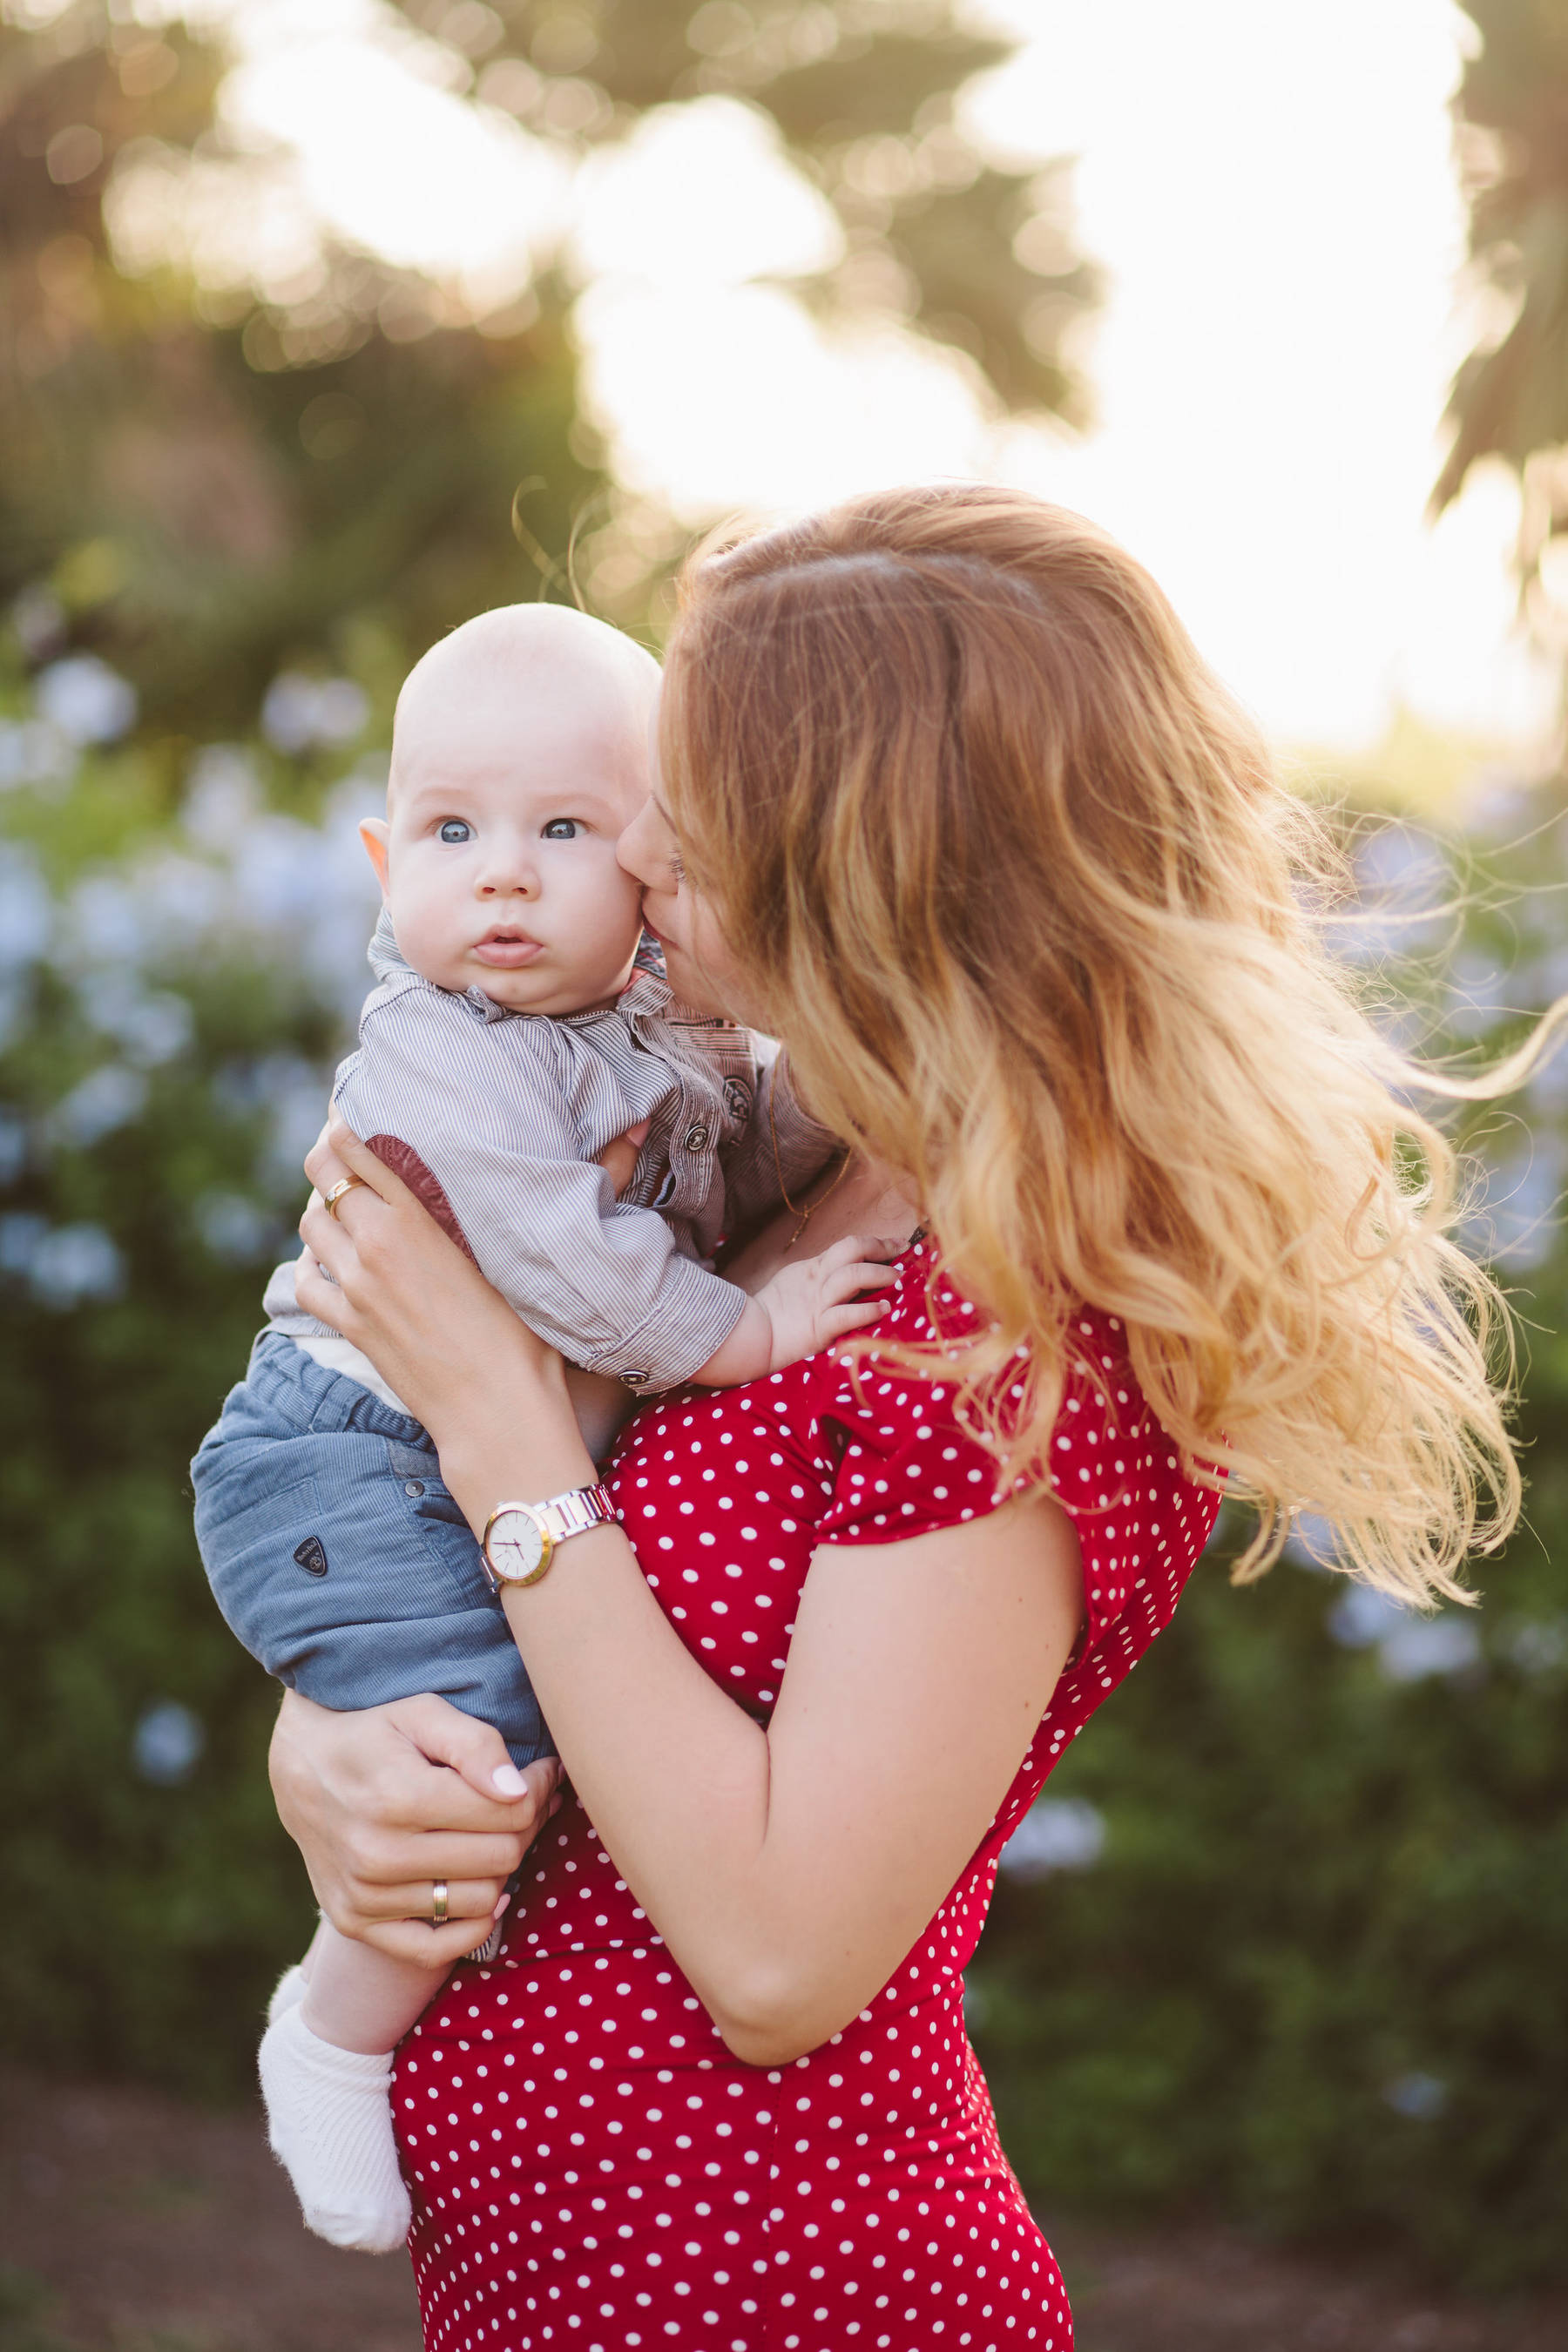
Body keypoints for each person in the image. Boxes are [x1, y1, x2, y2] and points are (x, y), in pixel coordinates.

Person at [267, 486, 1524, 2352]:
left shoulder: (1013, 1318)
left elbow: (780, 1953)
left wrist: (495, 1425)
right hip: (550, 2283)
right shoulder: (789, 1173)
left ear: (870, 874)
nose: (639, 850)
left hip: (779, 2290)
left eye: (689, 820)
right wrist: (336, 1758)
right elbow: (555, 1613)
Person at [191, 602, 889, 2254]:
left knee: (473, 1728)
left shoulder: (636, 1018)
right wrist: (761, 1329)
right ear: (384, 861)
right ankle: (336, 2026)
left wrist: (842, 1087)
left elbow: (737, 1140)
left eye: (570, 832)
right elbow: (590, 1279)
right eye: (453, 831)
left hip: (708, 2213)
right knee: (482, 1737)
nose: (504, 875)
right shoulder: (450, 1055)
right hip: (349, 1458)